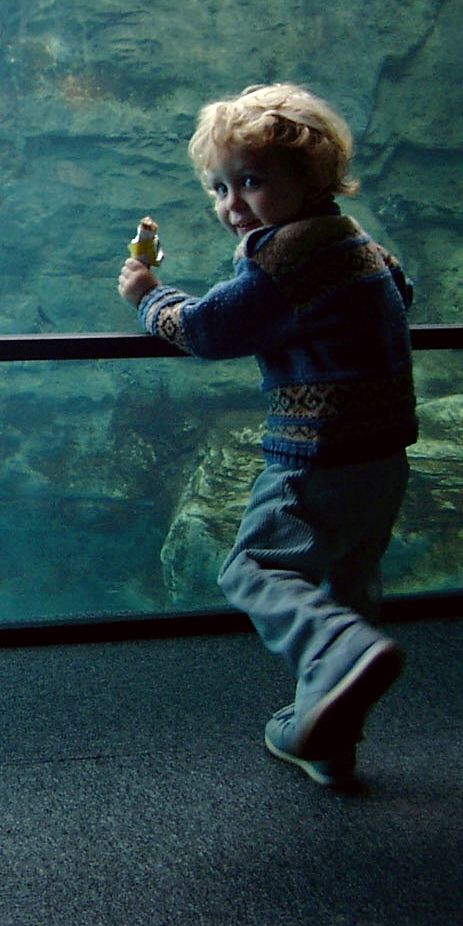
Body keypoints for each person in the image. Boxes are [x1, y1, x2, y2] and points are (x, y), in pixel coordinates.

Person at [118, 82, 417, 787]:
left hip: (315, 451)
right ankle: (326, 738)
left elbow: (209, 329)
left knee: (256, 569)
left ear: (311, 179)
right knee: (345, 586)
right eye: (219, 188)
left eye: (252, 181)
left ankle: (339, 654)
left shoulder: (286, 253)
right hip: (383, 453)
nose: (232, 205)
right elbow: (401, 298)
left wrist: (148, 297)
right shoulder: (362, 245)